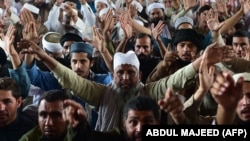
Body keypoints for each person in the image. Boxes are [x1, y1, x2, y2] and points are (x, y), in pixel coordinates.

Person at [18, 33, 234, 131]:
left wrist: (200, 62)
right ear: (114, 75)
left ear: (139, 75)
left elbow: (176, 79)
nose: (125, 78)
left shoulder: (149, 91)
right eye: (120, 73)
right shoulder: (102, 93)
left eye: (130, 73)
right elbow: (73, 80)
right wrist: (45, 57)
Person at [63, 90, 186, 141]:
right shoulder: (116, 137)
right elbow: (91, 138)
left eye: (148, 122)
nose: (140, 129)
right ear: (123, 123)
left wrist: (181, 120)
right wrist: (80, 126)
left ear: (157, 123)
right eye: (133, 122)